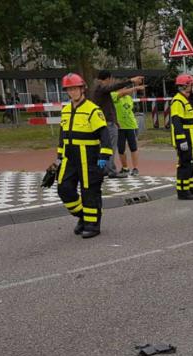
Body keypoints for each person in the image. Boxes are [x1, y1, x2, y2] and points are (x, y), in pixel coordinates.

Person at [55, 73, 112, 238]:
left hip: (89, 157)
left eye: (75, 88)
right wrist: (58, 158)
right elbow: (62, 135)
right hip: (69, 157)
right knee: (63, 188)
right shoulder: (65, 110)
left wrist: (104, 156)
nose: (72, 92)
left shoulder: (93, 110)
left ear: (82, 89)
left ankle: (93, 225)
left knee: (90, 192)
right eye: (69, 89)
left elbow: (104, 134)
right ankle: (82, 216)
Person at [90, 70, 143, 178]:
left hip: (104, 121)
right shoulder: (102, 87)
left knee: (105, 147)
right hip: (108, 122)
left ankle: (105, 169)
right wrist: (131, 81)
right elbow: (115, 88)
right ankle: (111, 170)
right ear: (108, 78)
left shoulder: (95, 87)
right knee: (110, 147)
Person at [170, 73, 193, 200]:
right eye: (190, 85)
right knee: (184, 163)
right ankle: (182, 191)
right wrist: (181, 139)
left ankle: (189, 186)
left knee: (192, 162)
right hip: (184, 137)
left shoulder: (186, 98)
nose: (192, 87)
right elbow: (176, 122)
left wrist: (192, 92)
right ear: (184, 86)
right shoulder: (178, 101)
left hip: (191, 136)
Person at [111, 84, 146, 176]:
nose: (125, 89)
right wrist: (136, 88)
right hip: (119, 127)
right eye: (123, 87)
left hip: (131, 126)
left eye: (125, 88)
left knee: (133, 148)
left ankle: (135, 168)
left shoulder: (129, 98)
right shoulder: (113, 95)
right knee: (121, 149)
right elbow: (120, 95)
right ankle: (125, 168)